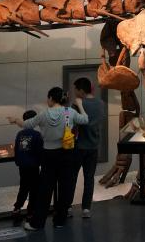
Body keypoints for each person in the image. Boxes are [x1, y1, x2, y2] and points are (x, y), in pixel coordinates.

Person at [8, 86, 88, 230]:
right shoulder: (69, 112)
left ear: (51, 98)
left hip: (49, 155)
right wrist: (80, 105)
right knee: (65, 187)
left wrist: (15, 120)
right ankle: (60, 221)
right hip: (66, 153)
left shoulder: (43, 114)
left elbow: (26, 124)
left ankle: (37, 223)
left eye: (48, 97)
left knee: (44, 189)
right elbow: (85, 120)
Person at [72, 77, 103, 218]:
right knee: (89, 178)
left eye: (76, 89)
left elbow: (73, 124)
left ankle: (67, 206)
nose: (74, 92)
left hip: (78, 146)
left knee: (71, 177)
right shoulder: (101, 103)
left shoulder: (78, 104)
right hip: (94, 146)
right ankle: (86, 209)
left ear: (81, 90)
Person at [12, 109, 42, 223]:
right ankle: (31, 211)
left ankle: (17, 208)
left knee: (23, 187)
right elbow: (39, 151)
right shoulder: (37, 135)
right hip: (33, 166)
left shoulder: (20, 134)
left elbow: (17, 149)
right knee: (34, 189)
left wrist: (18, 161)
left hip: (23, 166)